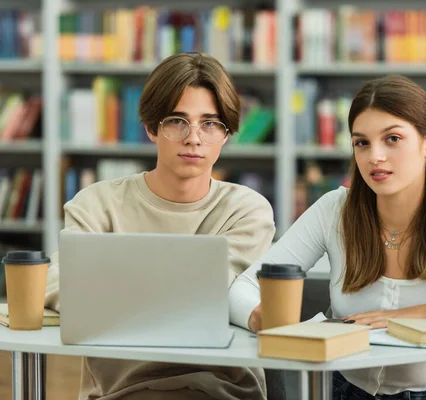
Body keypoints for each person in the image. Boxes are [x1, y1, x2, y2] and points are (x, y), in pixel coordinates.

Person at [229, 75, 426, 400]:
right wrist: (263, 319)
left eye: (393, 139)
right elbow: (241, 288)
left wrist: (421, 313)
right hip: (343, 391)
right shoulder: (335, 209)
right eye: (362, 142)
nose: (375, 157)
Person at [44, 53, 276, 400]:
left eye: (210, 124)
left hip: (221, 391)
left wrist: (111, 288)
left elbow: (218, 294)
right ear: (151, 127)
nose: (194, 138)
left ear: (226, 135)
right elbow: (56, 282)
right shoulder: (96, 204)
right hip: (119, 392)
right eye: (177, 121)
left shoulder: (247, 210)